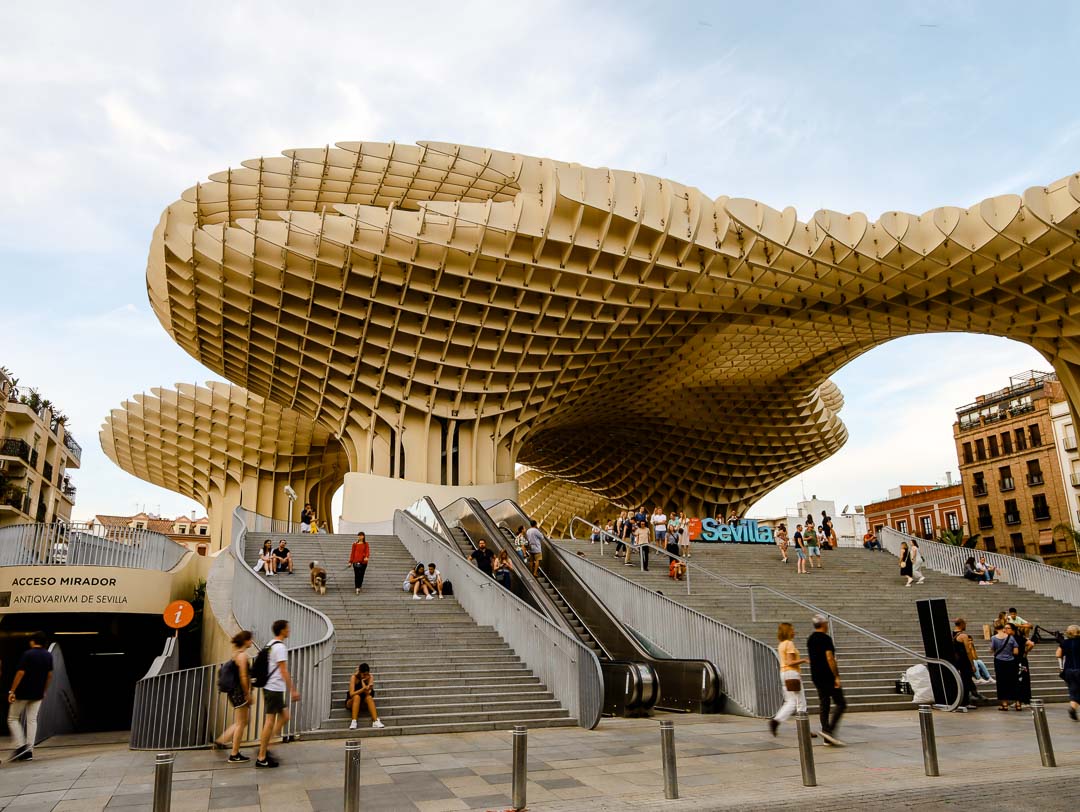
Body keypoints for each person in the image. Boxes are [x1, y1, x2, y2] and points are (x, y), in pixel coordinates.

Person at [257, 619, 299, 768]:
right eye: (287, 628)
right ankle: (262, 756)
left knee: (285, 716)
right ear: (282, 630)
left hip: (272, 687)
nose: (289, 630)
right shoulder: (280, 647)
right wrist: (293, 690)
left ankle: (265, 746)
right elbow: (283, 670)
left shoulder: (270, 644)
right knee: (269, 722)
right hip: (274, 688)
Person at [6, 632, 53, 763]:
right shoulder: (48, 655)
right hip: (37, 693)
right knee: (32, 720)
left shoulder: (28, 654)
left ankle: (20, 747)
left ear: (32, 641)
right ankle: (29, 751)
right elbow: (49, 675)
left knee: (12, 718)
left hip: (23, 692)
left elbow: (20, 672)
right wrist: (44, 690)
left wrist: (12, 691)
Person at [807, 616, 846, 745]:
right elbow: (829, 657)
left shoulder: (811, 639)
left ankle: (826, 734)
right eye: (826, 623)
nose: (827, 625)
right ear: (823, 624)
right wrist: (836, 676)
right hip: (828, 675)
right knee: (840, 703)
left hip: (816, 676)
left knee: (824, 703)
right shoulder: (826, 638)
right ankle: (829, 732)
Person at [216, 630, 253, 762]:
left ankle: (223, 740)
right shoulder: (242, 656)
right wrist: (247, 693)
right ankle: (234, 753)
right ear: (246, 641)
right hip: (239, 692)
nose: (252, 642)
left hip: (235, 692)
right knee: (241, 723)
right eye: (250, 639)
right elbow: (243, 676)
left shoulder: (235, 654)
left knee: (244, 721)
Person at [768, 622, 808, 736]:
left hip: (784, 674)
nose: (794, 631)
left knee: (790, 701)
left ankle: (775, 721)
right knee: (801, 702)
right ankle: (803, 729)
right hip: (792, 673)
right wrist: (804, 660)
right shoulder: (789, 643)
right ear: (788, 631)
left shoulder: (781, 644)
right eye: (792, 630)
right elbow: (790, 662)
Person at [990, 622, 1022, 711]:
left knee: (1001, 682)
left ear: (995, 629)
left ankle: (1004, 704)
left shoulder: (993, 638)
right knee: (1014, 681)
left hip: (999, 662)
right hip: (1011, 662)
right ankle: (1018, 703)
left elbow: (992, 649)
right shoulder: (1010, 637)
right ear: (1003, 628)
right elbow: (1016, 652)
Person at [347, 663, 384, 730]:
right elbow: (351, 694)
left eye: (367, 674)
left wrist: (363, 682)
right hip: (352, 701)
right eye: (364, 674)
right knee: (357, 697)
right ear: (360, 672)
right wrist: (363, 688)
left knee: (369, 698)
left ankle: (375, 721)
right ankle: (354, 721)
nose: (365, 676)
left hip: (364, 702)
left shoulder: (370, 677)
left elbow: (368, 693)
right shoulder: (354, 677)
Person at [951, 618, 979, 708]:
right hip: (964, 661)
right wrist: (972, 664)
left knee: (961, 681)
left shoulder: (952, 634)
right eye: (965, 624)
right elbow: (968, 651)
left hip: (956, 661)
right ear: (962, 624)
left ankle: (964, 698)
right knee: (966, 680)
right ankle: (966, 701)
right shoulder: (963, 636)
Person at [1056, 624, 1080, 721]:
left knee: (1073, 690)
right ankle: (1073, 708)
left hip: (1068, 670)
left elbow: (1058, 654)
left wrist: (1061, 667)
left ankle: (1073, 708)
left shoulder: (1064, 643)